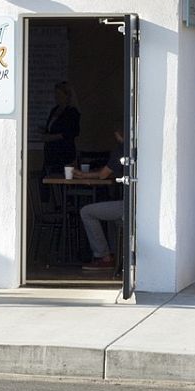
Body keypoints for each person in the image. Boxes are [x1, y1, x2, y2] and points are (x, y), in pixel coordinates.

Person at [80, 128, 127, 273]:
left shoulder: (123, 149)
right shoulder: (142, 147)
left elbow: (103, 175)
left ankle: (105, 257)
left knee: (86, 211)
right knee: (112, 217)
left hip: (128, 206)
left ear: (118, 134)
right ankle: (115, 255)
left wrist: (82, 175)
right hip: (138, 205)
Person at [42, 81, 81, 171]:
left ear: (67, 96)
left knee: (61, 178)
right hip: (50, 152)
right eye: (55, 94)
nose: (56, 97)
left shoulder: (72, 112)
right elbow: (53, 128)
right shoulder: (54, 110)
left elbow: (72, 132)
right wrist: (45, 131)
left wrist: (51, 137)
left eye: (59, 94)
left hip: (64, 152)